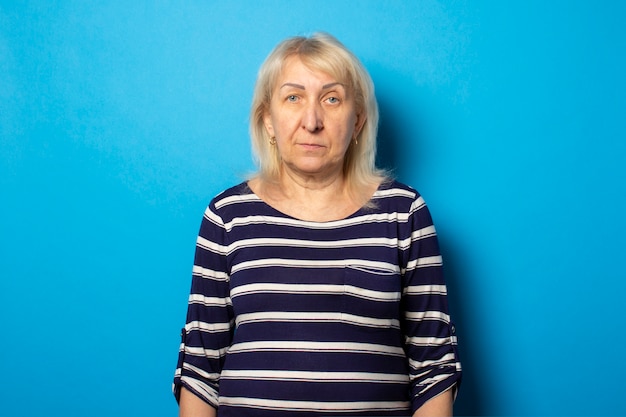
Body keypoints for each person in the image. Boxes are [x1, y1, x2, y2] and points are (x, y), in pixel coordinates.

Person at [173, 32, 461, 417]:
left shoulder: (403, 213)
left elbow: (434, 366)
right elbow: (199, 367)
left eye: (332, 99)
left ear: (357, 120)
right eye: (293, 97)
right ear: (268, 120)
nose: (312, 121)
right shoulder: (227, 216)